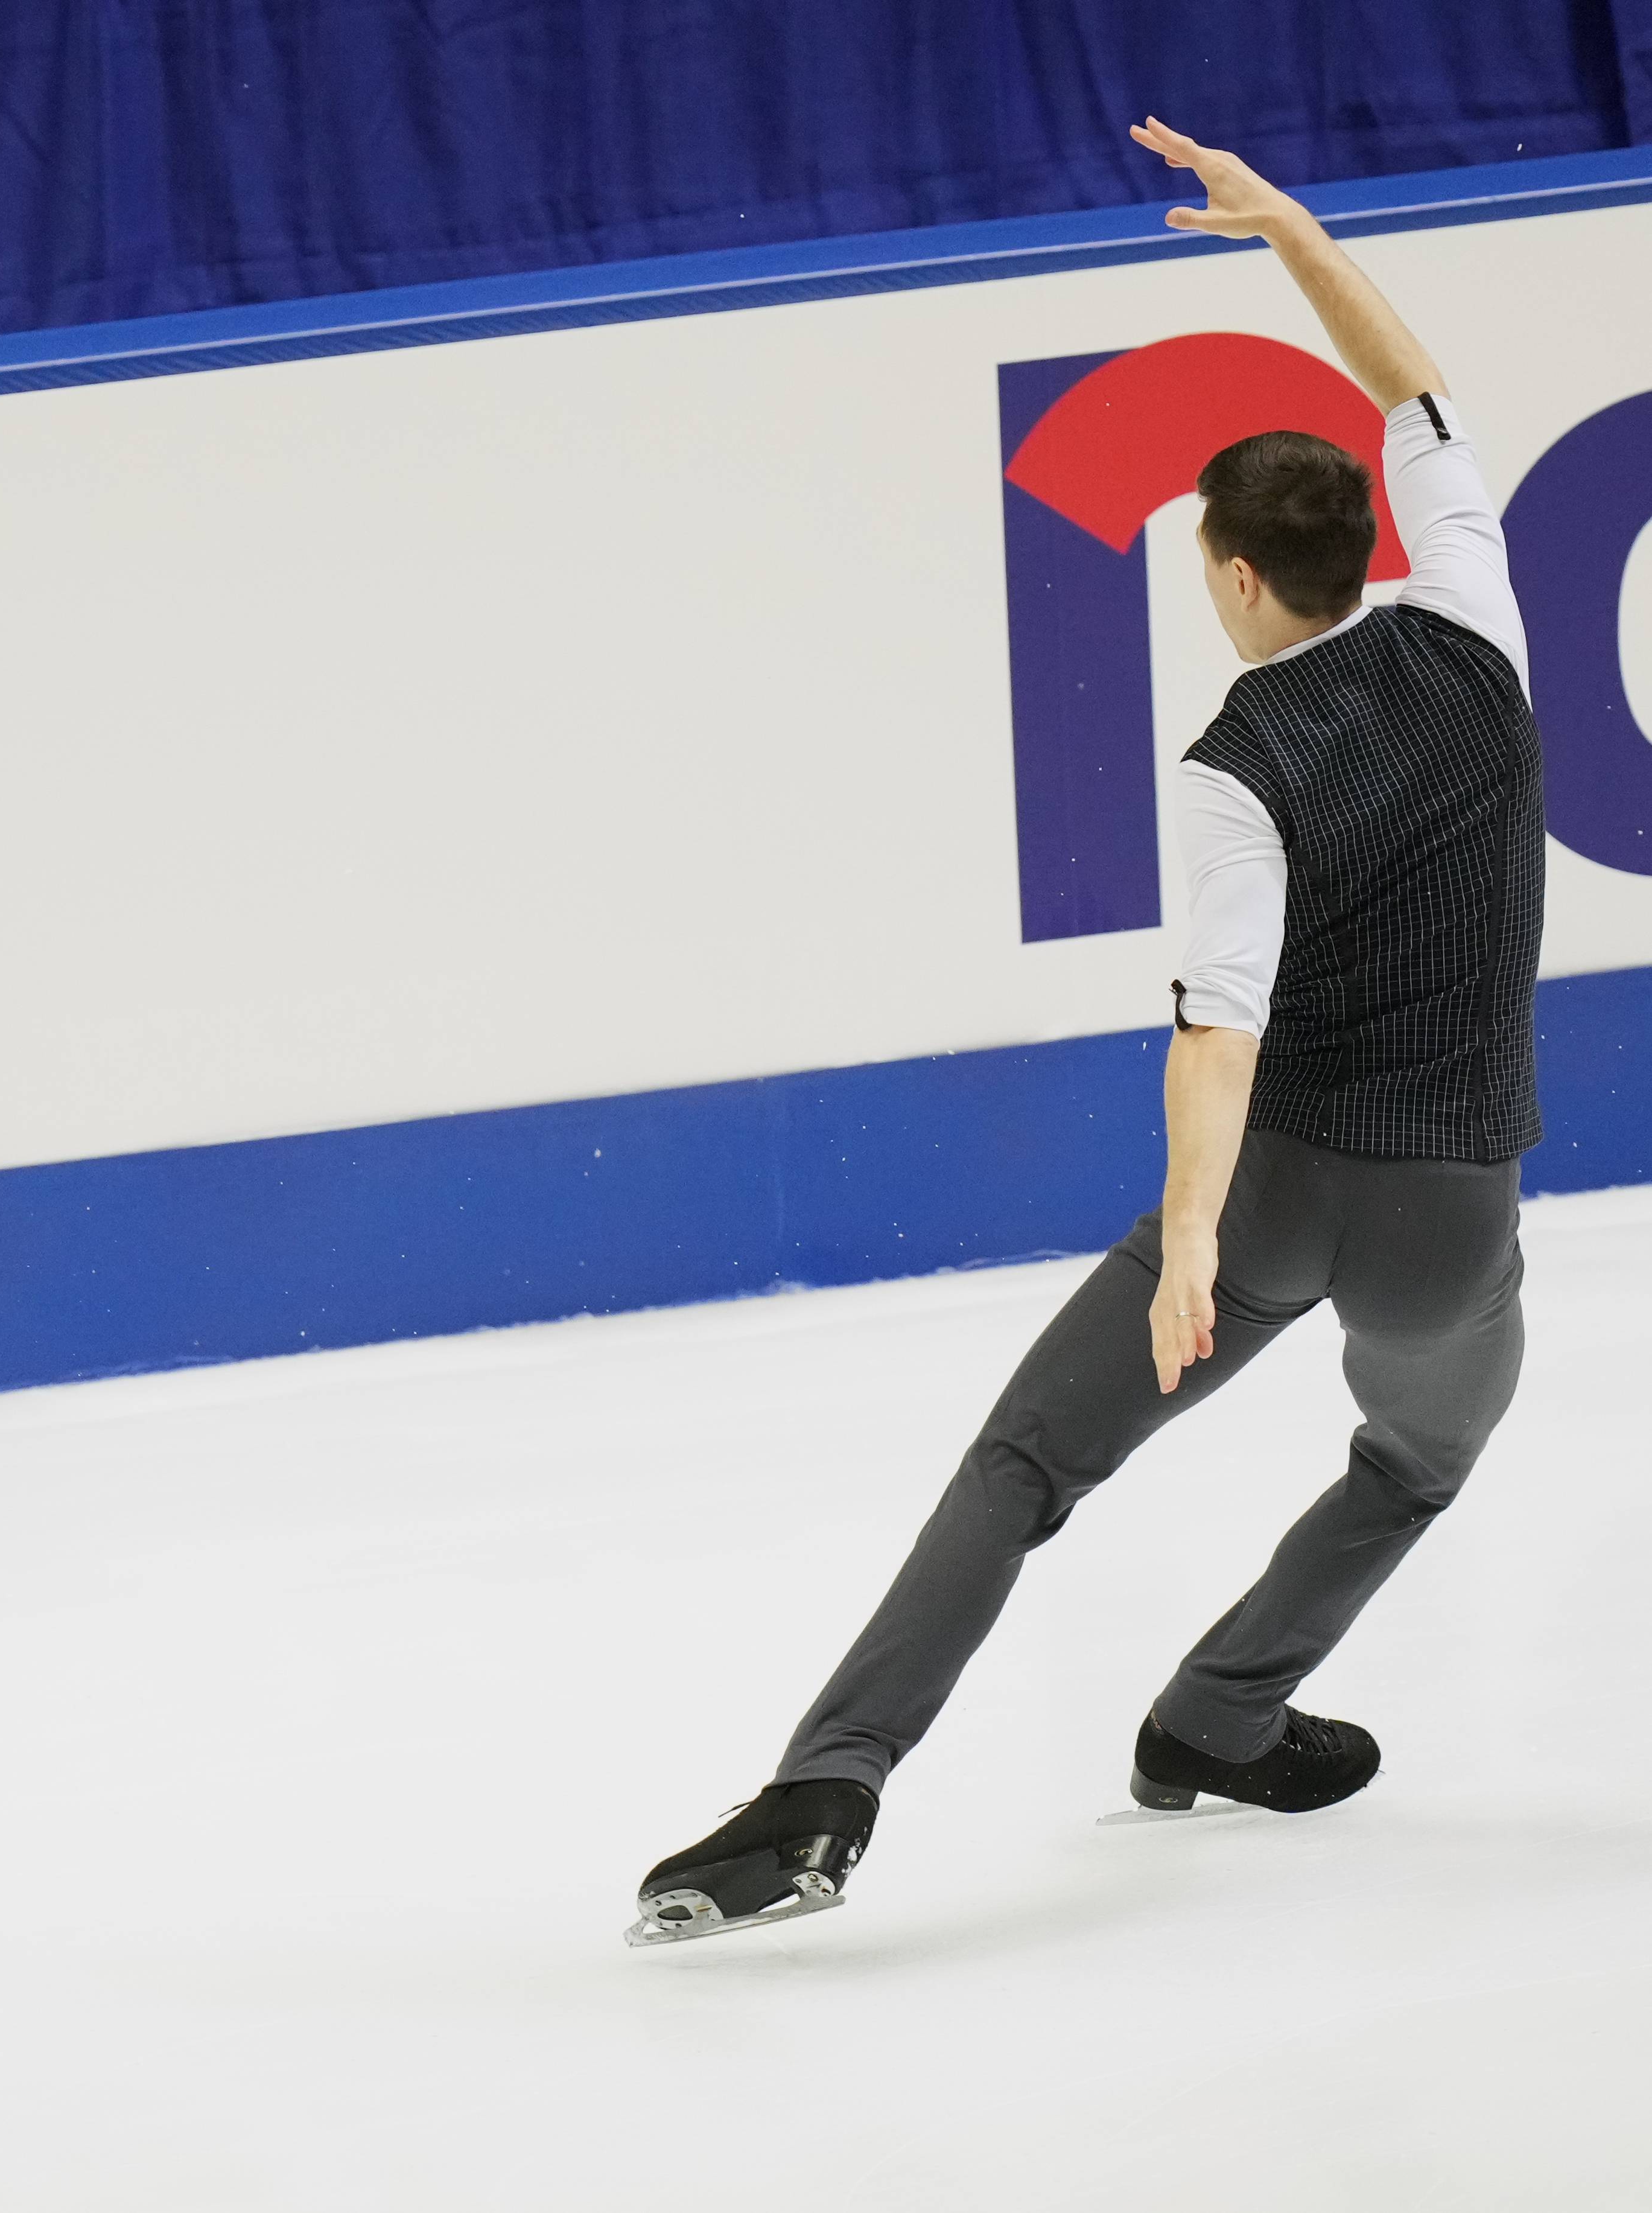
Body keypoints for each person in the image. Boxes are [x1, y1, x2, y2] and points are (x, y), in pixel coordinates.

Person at [627, 119, 1543, 1945]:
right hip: (1452, 1215)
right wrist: (1293, 233)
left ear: (1231, 572)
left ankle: (824, 1789)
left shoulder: (1233, 767)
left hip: (1275, 1194)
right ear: (1363, 543)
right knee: (1415, 1458)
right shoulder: (1473, 624)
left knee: (1027, 1463)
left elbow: (1221, 1030)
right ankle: (1223, 1711)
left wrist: (1192, 1237)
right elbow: (1415, 388)